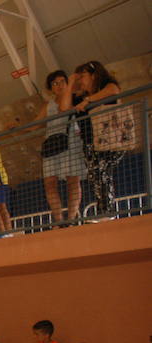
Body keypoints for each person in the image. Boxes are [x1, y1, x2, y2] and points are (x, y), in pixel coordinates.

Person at [73, 60, 125, 214]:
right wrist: (72, 81)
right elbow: (67, 104)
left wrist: (89, 100)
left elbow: (114, 90)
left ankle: (106, 211)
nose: (80, 81)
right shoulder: (79, 97)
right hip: (90, 143)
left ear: (94, 75)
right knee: (96, 176)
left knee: (102, 171)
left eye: (82, 76)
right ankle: (104, 209)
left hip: (110, 139)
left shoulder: (106, 86)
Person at [36, 70, 85, 222]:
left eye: (62, 82)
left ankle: (71, 218)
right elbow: (35, 123)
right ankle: (58, 219)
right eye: (54, 83)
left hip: (71, 141)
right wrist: (17, 128)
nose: (58, 86)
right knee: (50, 182)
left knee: (73, 180)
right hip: (52, 145)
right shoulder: (48, 105)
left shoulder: (76, 98)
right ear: (51, 88)